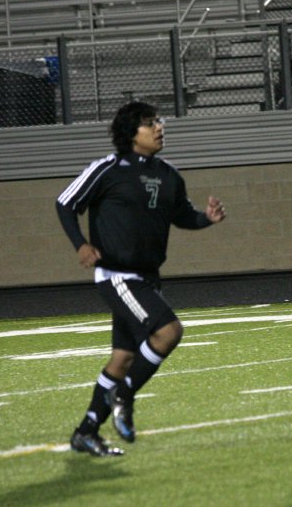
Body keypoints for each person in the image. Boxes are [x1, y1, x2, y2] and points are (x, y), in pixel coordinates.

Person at [56, 101, 226, 457]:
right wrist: (81, 245)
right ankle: (124, 394)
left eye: (159, 121)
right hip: (118, 275)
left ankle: (86, 431)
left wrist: (206, 219)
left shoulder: (168, 175)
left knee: (121, 359)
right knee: (169, 332)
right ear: (131, 133)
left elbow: (183, 217)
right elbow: (65, 202)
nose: (160, 127)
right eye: (150, 123)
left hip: (147, 278)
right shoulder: (109, 168)